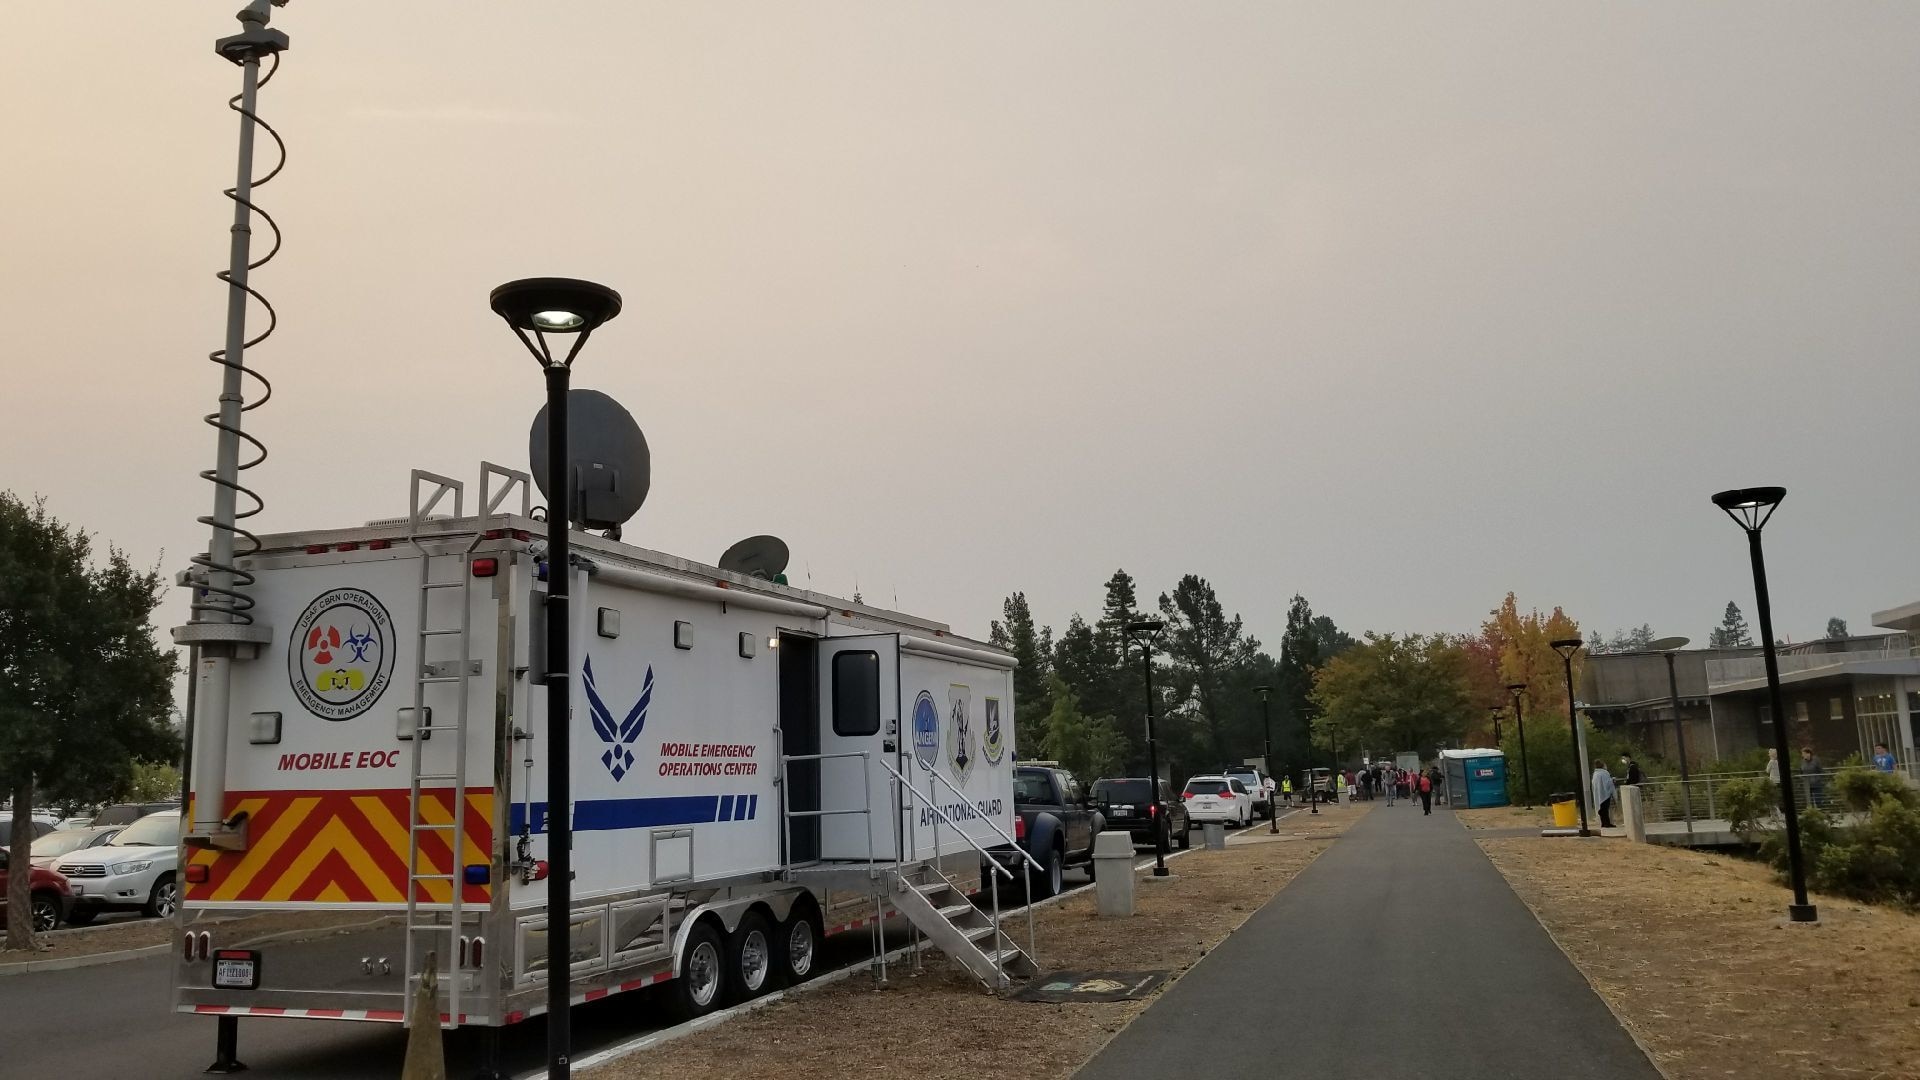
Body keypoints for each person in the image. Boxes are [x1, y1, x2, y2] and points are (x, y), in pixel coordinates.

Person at [1592, 758, 1618, 828]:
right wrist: (1612, 780)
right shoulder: (1604, 773)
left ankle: (1604, 823)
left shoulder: (1596, 773)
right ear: (1603, 765)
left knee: (1602, 809)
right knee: (1605, 809)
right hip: (1605, 794)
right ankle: (1606, 823)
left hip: (1599, 794)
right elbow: (1607, 783)